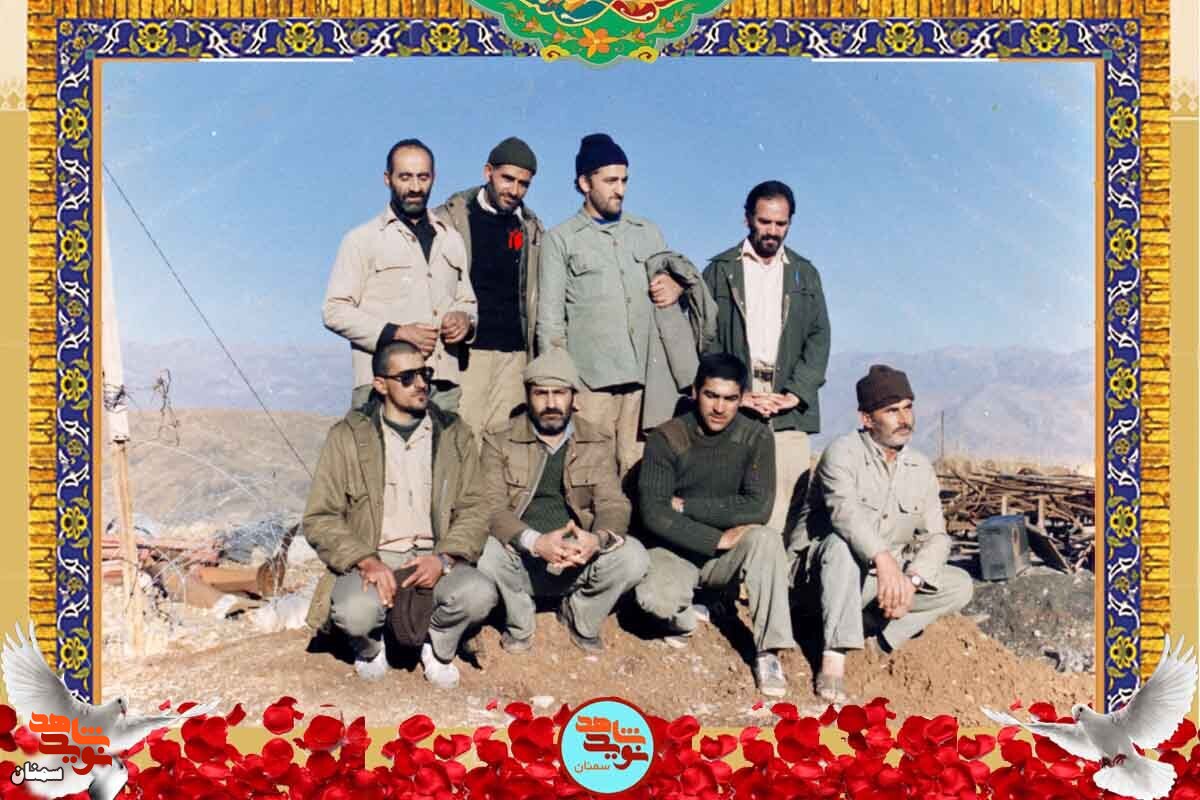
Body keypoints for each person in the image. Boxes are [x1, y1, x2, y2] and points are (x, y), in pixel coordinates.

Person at [302, 340, 497, 690]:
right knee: (353, 613)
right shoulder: (348, 436)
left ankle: (437, 645)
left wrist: (444, 558)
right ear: (380, 384)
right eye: (407, 377)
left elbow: (475, 506)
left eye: (425, 373)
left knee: (479, 595)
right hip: (375, 558)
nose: (421, 384)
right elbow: (321, 517)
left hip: (434, 556)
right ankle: (371, 647)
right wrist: (365, 560)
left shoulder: (454, 433)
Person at [791, 364, 973, 704]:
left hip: (878, 584)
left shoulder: (920, 468)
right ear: (867, 419)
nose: (904, 419)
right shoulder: (842, 453)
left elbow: (937, 537)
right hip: (821, 578)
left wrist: (912, 581)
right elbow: (845, 514)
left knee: (959, 584)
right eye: (892, 411)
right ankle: (833, 658)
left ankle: (880, 638)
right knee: (841, 546)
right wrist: (884, 559)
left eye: (908, 408)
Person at [633, 352, 796, 697]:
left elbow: (758, 506)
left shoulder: (756, 437)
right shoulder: (666, 438)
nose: (719, 408)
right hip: (675, 550)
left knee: (765, 539)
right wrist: (714, 538)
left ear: (742, 398)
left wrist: (687, 507)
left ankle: (768, 651)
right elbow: (655, 514)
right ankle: (688, 616)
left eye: (730, 399)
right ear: (695, 392)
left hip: (724, 554)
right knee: (653, 600)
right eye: (711, 396)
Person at [476, 348, 649, 653]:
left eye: (559, 393)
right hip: (521, 558)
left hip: (577, 560)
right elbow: (491, 506)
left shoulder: (596, 439)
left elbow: (613, 503)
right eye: (541, 394)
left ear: (573, 397)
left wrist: (596, 540)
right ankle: (520, 620)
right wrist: (535, 542)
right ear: (528, 396)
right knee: (483, 550)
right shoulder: (499, 439)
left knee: (634, 557)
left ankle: (579, 614)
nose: (551, 403)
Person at [537, 133, 684, 476]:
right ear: (584, 183)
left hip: (644, 386)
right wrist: (561, 386)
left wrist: (677, 286)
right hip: (590, 388)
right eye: (610, 181)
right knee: (590, 478)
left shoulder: (648, 232)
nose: (620, 190)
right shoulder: (560, 240)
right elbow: (550, 321)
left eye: (624, 180)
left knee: (642, 476)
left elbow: (674, 294)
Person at [703, 180, 831, 538]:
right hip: (736, 404)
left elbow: (819, 337)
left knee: (787, 504)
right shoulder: (719, 270)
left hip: (787, 404)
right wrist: (735, 394)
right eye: (764, 222)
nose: (772, 231)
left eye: (781, 224)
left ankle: (778, 572)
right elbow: (705, 339)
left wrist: (795, 393)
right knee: (733, 496)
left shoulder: (805, 273)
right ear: (747, 219)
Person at [323, 139, 477, 413]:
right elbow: (334, 311)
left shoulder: (451, 239)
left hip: (442, 389)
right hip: (383, 386)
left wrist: (465, 320)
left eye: (423, 177)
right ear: (388, 179)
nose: (415, 187)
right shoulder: (362, 239)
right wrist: (396, 333)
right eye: (405, 177)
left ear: (433, 177)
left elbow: (467, 301)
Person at [435, 137, 545, 439]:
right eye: (507, 179)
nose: (514, 190)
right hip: (468, 354)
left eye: (524, 184)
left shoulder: (532, 228)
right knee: (463, 440)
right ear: (488, 172)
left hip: (515, 357)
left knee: (504, 445)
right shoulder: (451, 219)